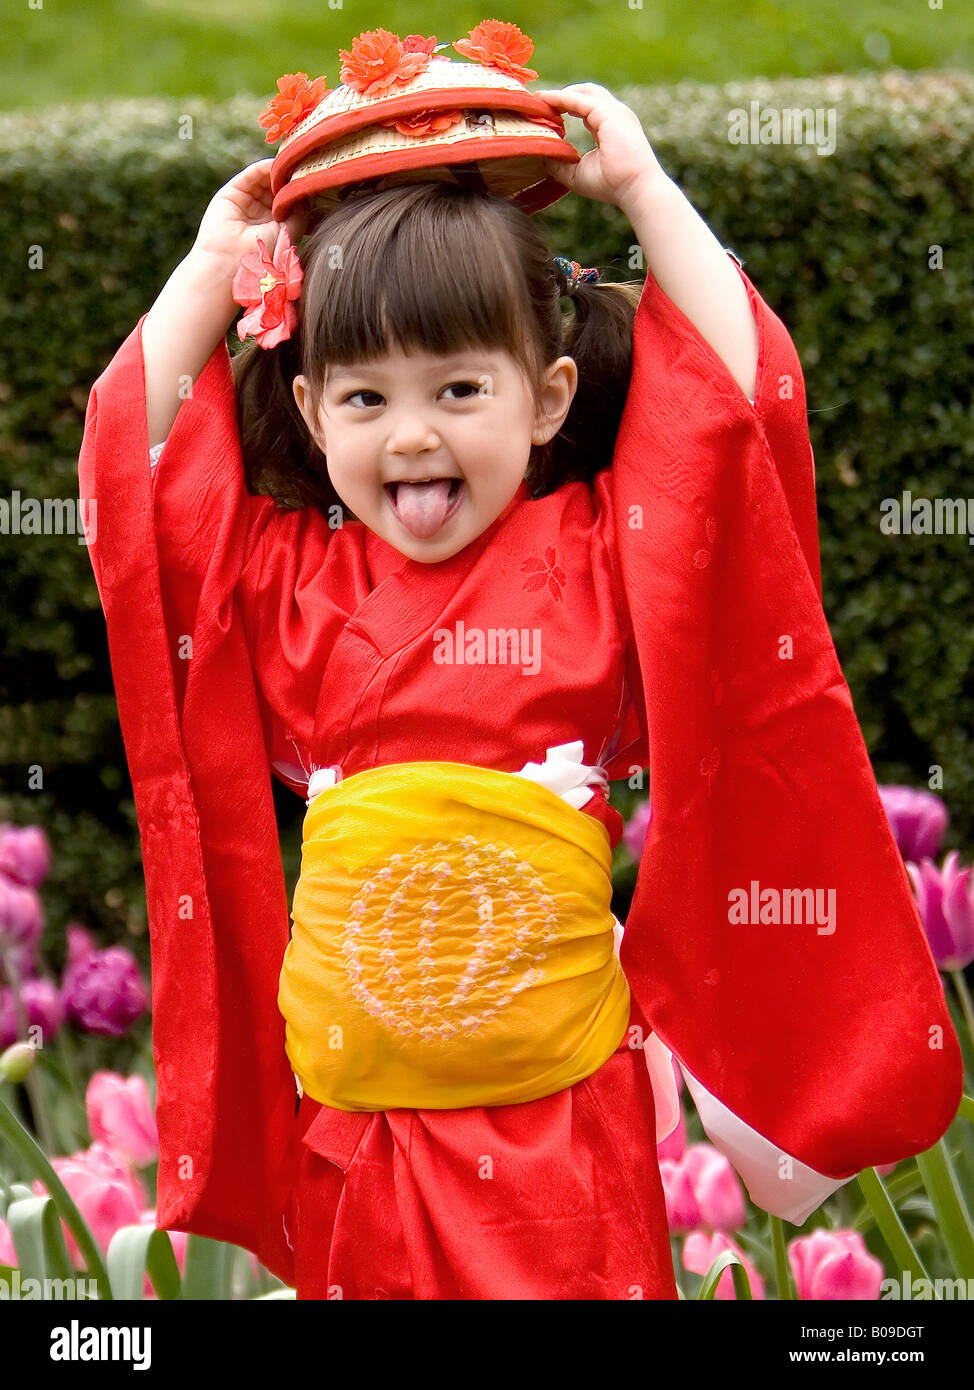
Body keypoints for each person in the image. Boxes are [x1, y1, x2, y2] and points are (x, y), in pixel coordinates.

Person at [79, 49, 961, 1300]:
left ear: (547, 398)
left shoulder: (604, 556)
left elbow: (739, 404)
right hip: (359, 1132)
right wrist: (216, 260)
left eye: (456, 387)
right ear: (314, 413)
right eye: (367, 399)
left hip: (563, 1129)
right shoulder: (285, 585)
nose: (415, 432)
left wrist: (645, 190)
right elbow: (135, 464)